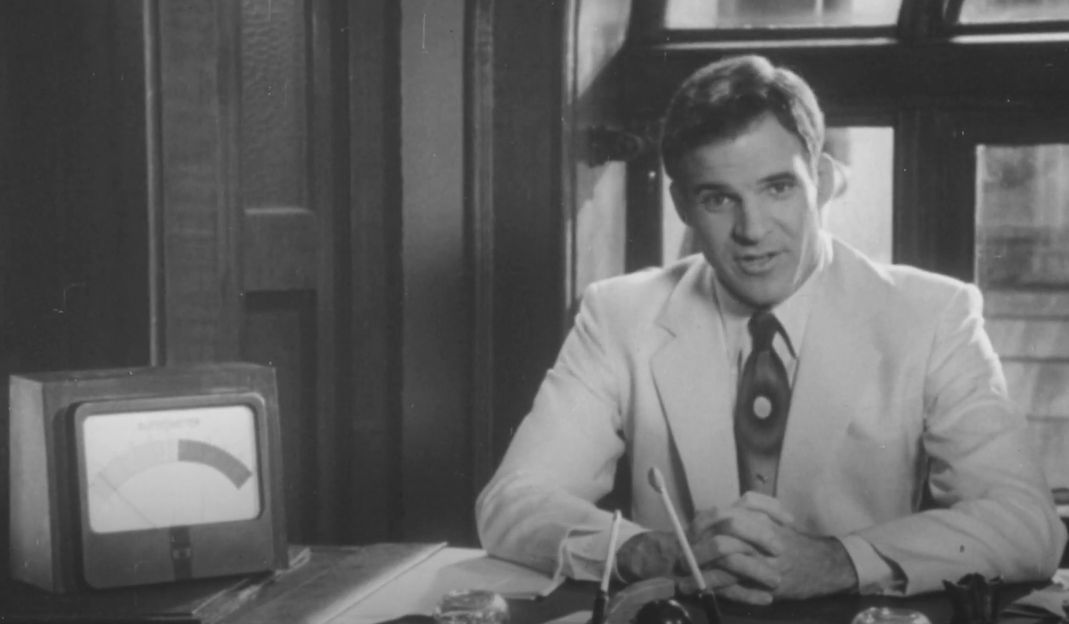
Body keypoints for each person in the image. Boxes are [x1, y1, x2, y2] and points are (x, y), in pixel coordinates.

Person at [475, 55, 1066, 604]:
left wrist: (839, 561)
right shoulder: (618, 313)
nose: (752, 230)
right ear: (682, 205)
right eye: (718, 199)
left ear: (823, 181)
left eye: (778, 188)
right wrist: (650, 552)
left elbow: (1027, 524)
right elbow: (511, 501)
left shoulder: (934, 314)